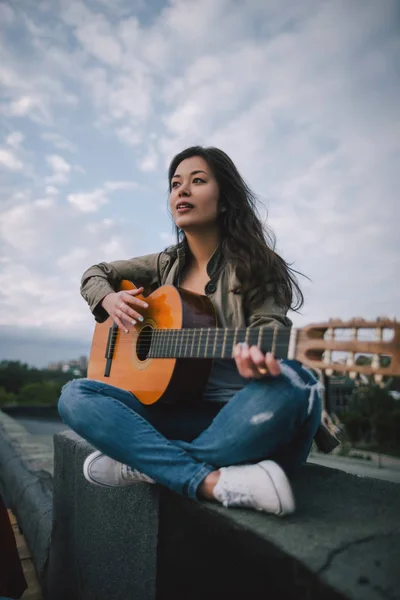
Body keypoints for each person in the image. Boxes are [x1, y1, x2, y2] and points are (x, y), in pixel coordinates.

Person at [58, 146, 324, 517]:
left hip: (240, 417)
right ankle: (211, 480)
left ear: (226, 199)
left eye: (197, 181)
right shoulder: (166, 263)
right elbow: (95, 273)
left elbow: (271, 330)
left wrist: (263, 364)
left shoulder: (257, 265)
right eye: (175, 184)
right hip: (179, 414)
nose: (181, 191)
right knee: (74, 394)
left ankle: (149, 465)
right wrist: (110, 301)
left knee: (300, 381)